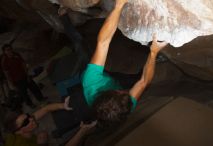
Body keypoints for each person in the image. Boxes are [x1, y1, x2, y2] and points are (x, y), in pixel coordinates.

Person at [81, 0, 168, 128]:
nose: (124, 92)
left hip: (96, 77)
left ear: (108, 92)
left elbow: (103, 42)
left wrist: (119, 5)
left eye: (120, 92)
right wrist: (153, 52)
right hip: (112, 82)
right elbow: (144, 82)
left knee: (89, 50)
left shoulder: (91, 81)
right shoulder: (124, 106)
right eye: (125, 94)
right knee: (135, 72)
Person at [3, 97, 72, 146]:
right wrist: (82, 130)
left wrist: (63, 105)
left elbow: (45, 109)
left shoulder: (16, 130)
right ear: (19, 131)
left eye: (27, 116)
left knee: (43, 135)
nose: (31, 119)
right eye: (26, 122)